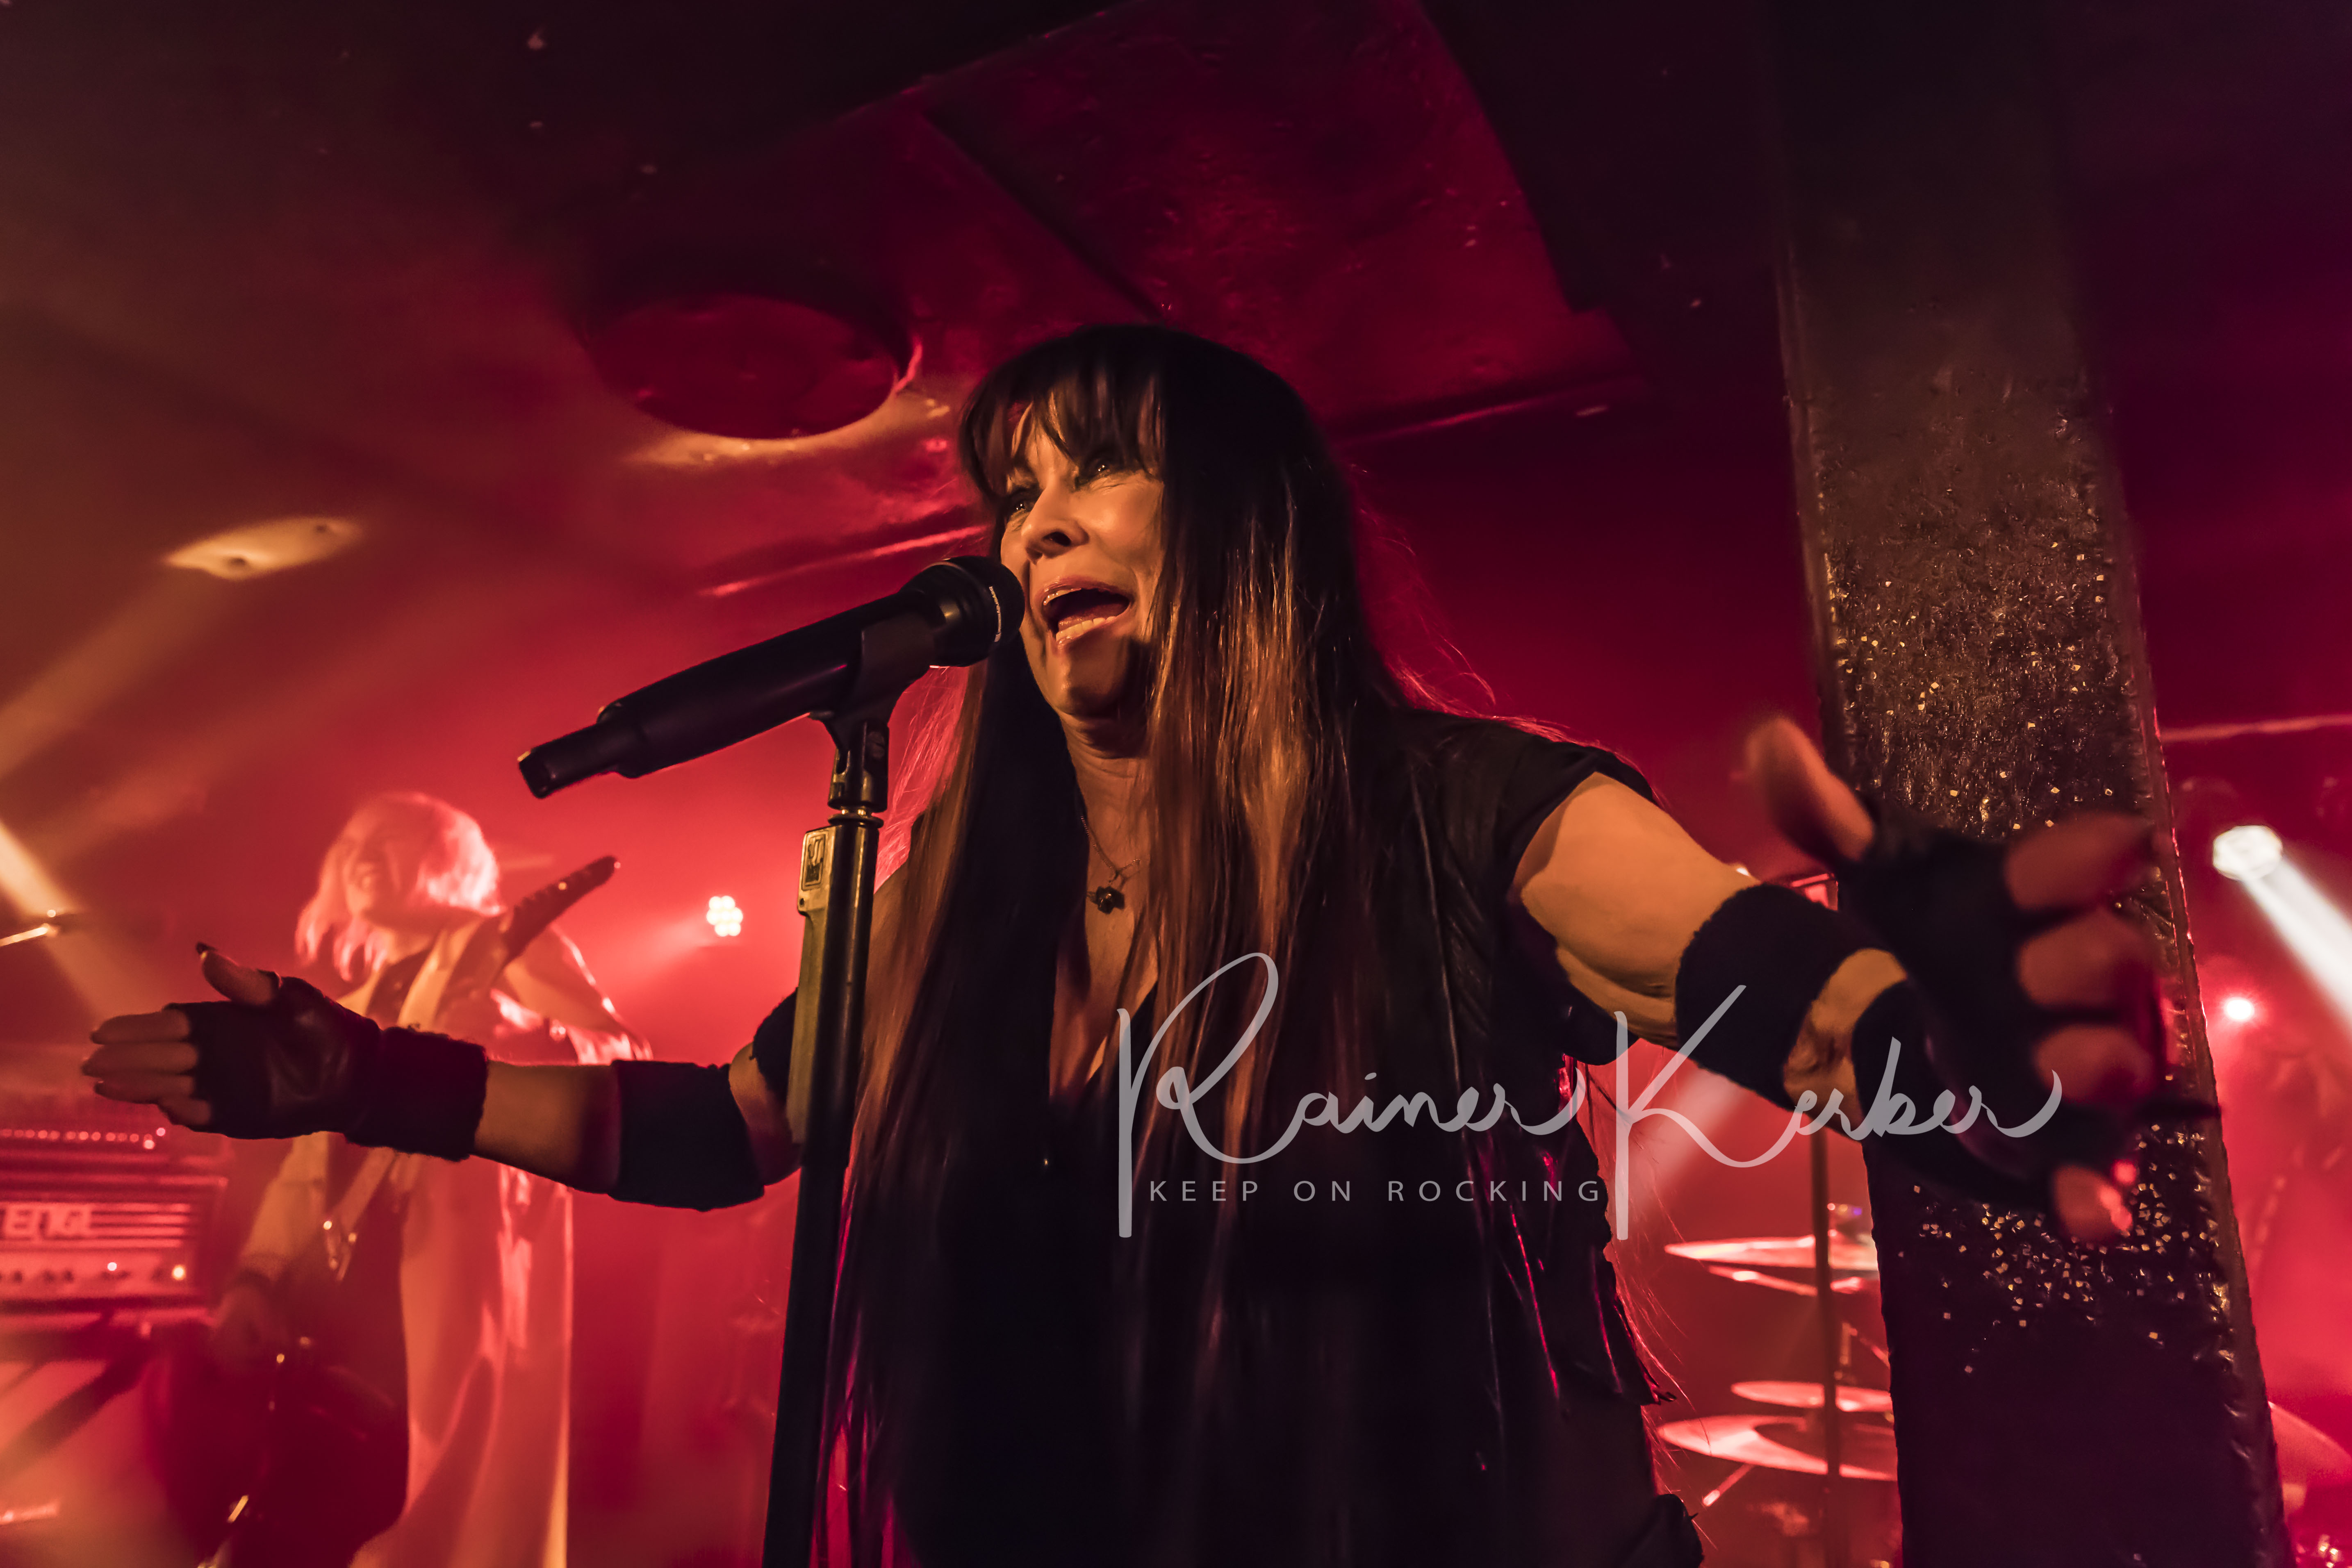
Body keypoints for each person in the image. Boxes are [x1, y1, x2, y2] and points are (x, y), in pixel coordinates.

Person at [88, 326, 2165, 1568]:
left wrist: (1948, 1033)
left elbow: (1763, 985)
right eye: (1018, 497)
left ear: (1247, 528)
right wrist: (370, 1077)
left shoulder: (1470, 807)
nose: (1039, 526)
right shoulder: (959, 896)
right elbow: (726, 1127)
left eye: (1102, 475)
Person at [201, 792, 642, 1568]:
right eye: (354, 842)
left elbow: (630, 1060)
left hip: (448, 1284)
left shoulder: (510, 949)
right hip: (338, 1299)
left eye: (394, 837)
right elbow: (307, 1165)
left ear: (450, 857)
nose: (366, 854)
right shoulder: (351, 1005)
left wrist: (531, 1029)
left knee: (431, 1513)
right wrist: (257, 1277)